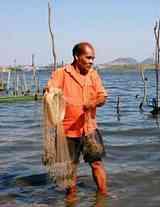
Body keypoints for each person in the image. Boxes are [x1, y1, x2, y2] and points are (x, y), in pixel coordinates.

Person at [46, 42, 108, 200]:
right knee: (70, 167)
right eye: (88, 57)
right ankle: (71, 198)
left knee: (97, 163)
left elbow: (102, 96)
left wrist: (93, 103)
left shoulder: (93, 74)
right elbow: (50, 90)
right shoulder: (61, 73)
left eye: (93, 58)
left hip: (89, 128)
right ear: (76, 57)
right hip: (67, 131)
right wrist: (51, 92)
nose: (91, 61)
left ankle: (103, 196)